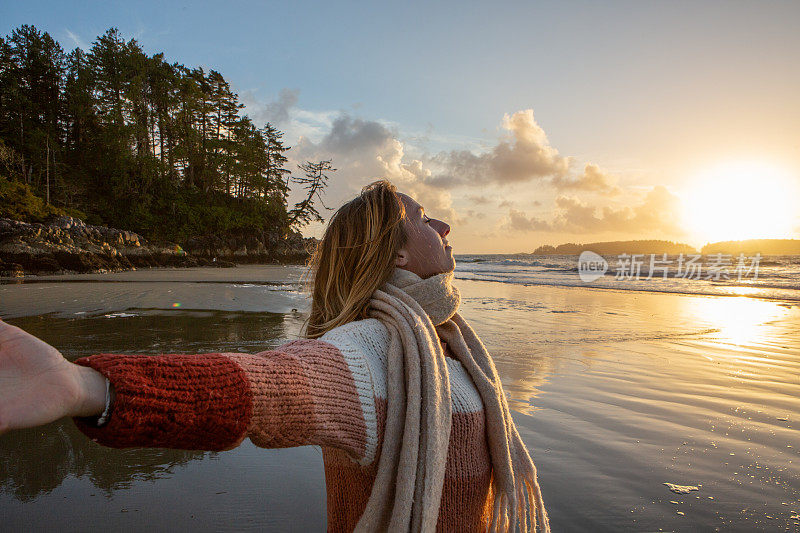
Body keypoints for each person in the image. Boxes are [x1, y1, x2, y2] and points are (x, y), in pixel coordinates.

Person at [0, 179, 550, 532]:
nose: (444, 226)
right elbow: (258, 386)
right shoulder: (362, 353)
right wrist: (85, 388)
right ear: (396, 251)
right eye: (424, 216)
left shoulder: (453, 342)